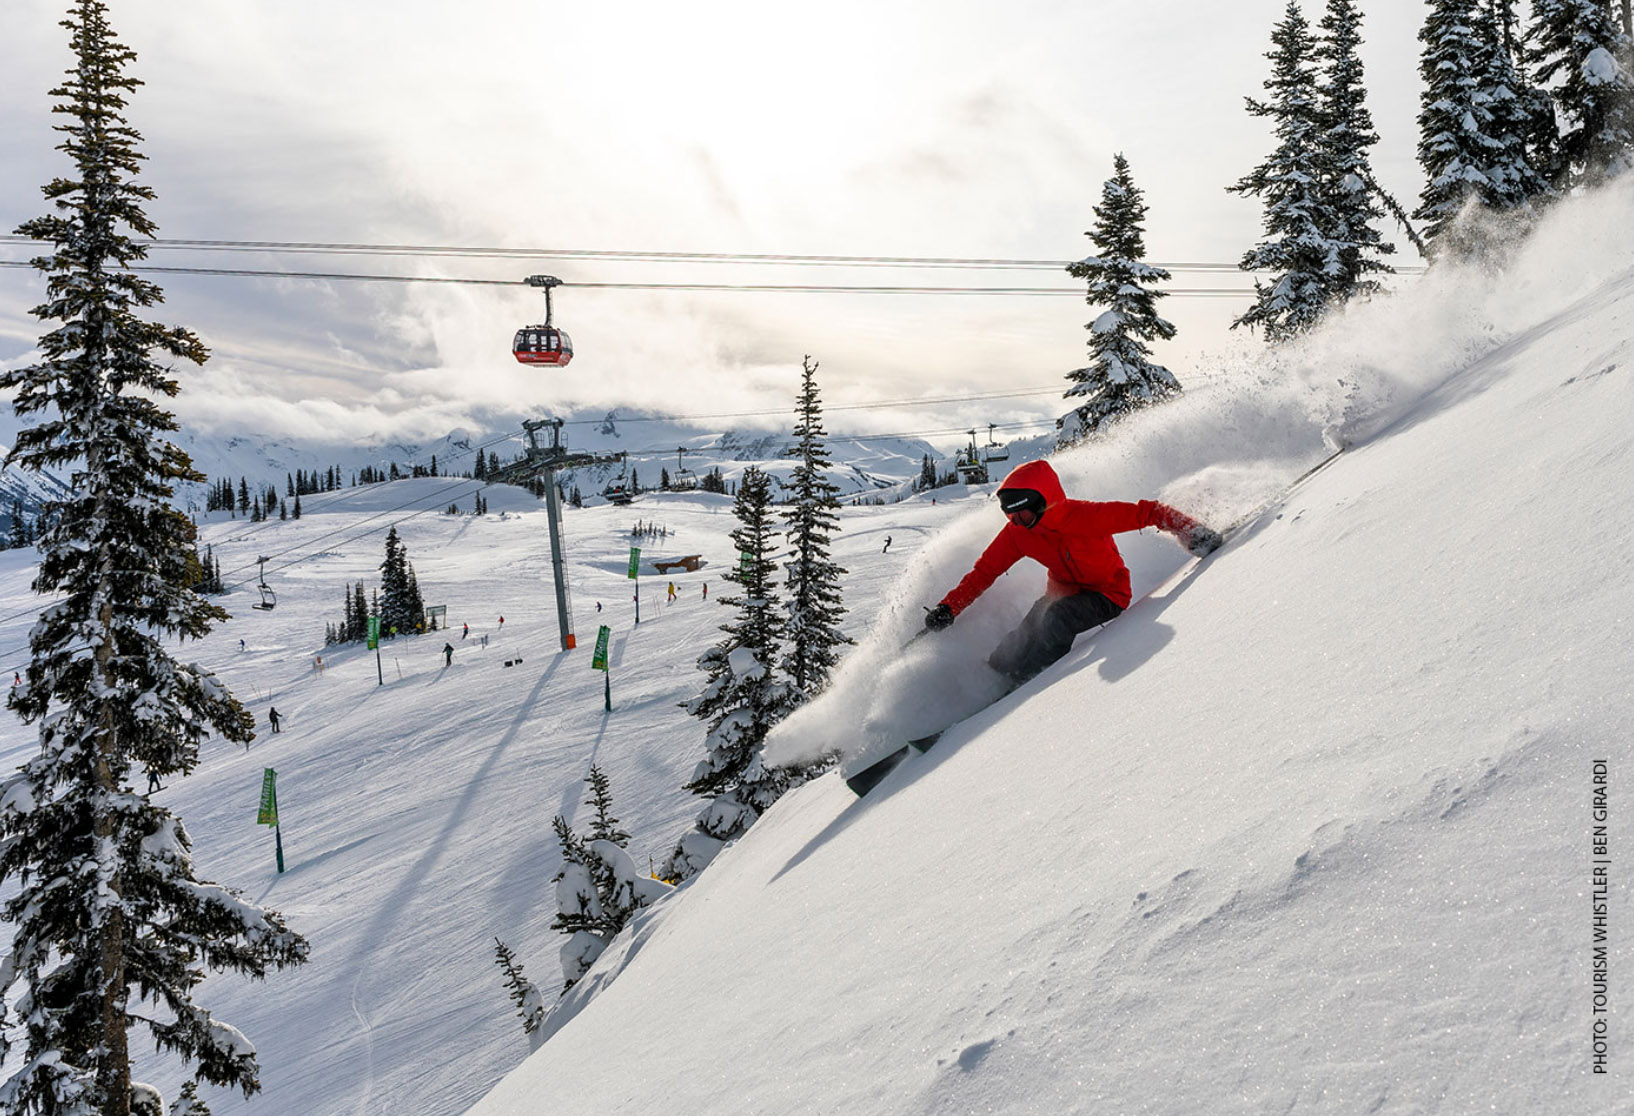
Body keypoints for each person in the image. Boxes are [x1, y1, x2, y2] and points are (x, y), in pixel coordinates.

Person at [924, 459, 1222, 687]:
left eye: (1022, 513)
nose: (1016, 520)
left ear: (1042, 502)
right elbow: (983, 572)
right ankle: (994, 676)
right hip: (1062, 593)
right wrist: (948, 608)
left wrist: (1191, 531)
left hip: (1108, 594)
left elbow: (1150, 511)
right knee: (1024, 634)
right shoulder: (1018, 533)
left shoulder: (1086, 517)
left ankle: (1028, 684)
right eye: (1010, 515)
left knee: (1057, 619)